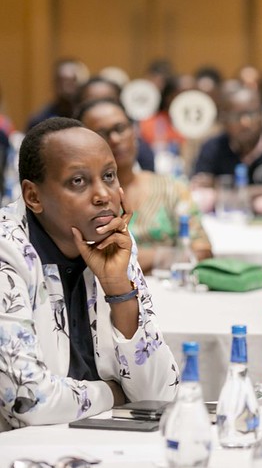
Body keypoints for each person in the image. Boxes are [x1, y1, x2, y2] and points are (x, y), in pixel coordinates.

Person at [0, 118, 178, 430]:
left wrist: (118, 288)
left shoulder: (114, 242)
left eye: (109, 176)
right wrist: (112, 394)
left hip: (99, 441)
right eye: (78, 181)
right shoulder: (8, 249)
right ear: (33, 197)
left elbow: (161, 394)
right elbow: (28, 402)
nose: (103, 195)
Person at [76, 98, 212, 274]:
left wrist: (142, 258)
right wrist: (168, 256)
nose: (115, 139)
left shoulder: (171, 188)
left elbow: (202, 253)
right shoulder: (79, 200)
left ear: (134, 132)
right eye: (101, 133)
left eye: (120, 128)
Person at [192, 84, 262, 215]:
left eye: (251, 114)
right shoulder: (212, 146)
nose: (245, 123)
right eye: (236, 116)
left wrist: (222, 190)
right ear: (224, 120)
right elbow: (199, 193)